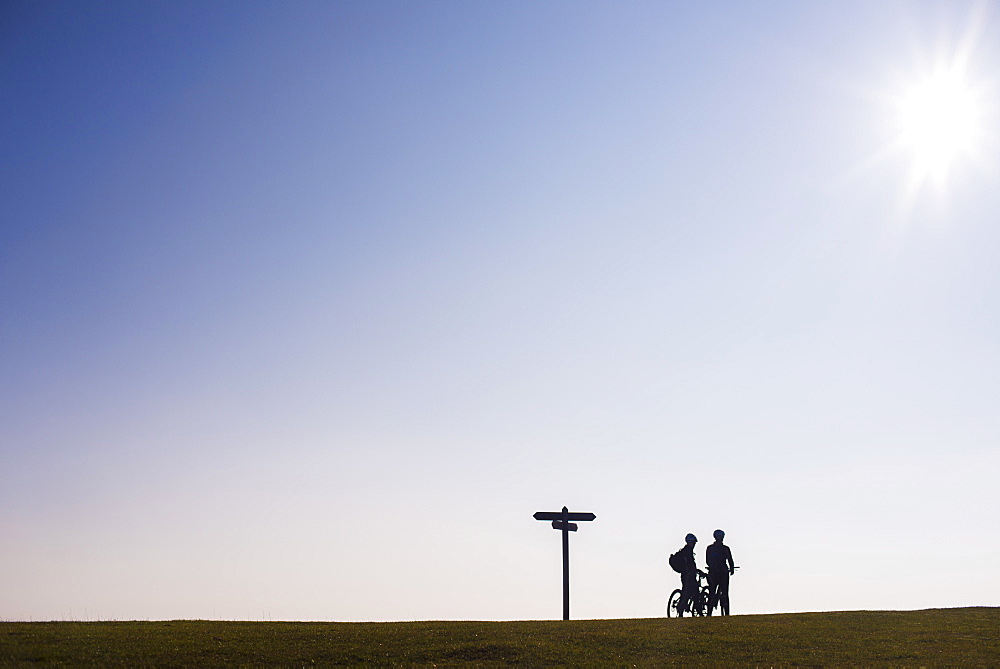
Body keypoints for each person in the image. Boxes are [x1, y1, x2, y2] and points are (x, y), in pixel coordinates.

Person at [706, 529, 735, 616]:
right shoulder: (725, 549)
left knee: (712, 591)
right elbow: (730, 560)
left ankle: (709, 612)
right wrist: (732, 569)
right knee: (725, 593)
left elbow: (707, 561)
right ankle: (726, 613)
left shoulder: (710, 548)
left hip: (713, 572)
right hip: (723, 572)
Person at [676, 533, 700, 617]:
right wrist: (696, 571)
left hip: (685, 574)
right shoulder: (688, 551)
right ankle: (696, 609)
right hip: (688, 574)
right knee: (693, 591)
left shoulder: (684, 550)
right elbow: (691, 564)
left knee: (687, 590)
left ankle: (683, 606)